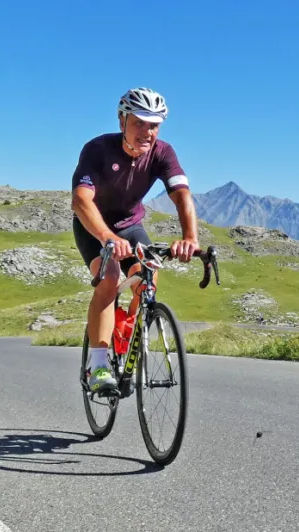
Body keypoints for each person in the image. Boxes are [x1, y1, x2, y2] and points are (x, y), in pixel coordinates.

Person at [70, 87, 199, 392]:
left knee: (148, 276)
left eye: (153, 125)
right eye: (139, 122)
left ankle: (126, 336)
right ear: (122, 121)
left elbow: (182, 195)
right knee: (110, 278)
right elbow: (80, 200)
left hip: (131, 226)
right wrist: (106, 236)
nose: (147, 131)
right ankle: (98, 366)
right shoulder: (98, 149)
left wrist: (190, 238)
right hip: (95, 227)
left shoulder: (163, 153)